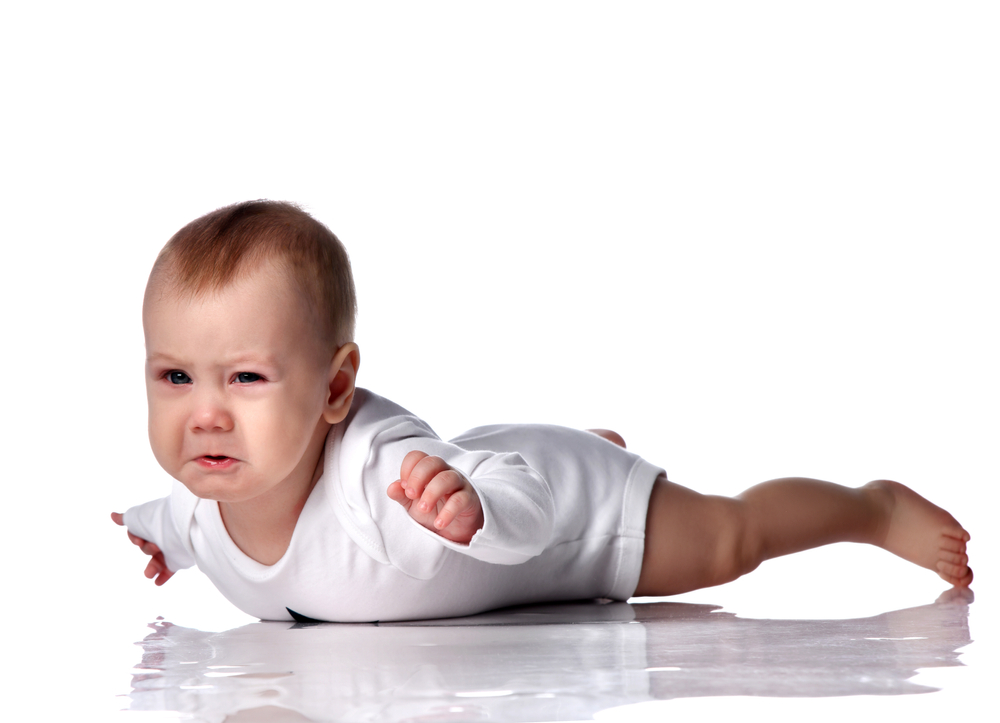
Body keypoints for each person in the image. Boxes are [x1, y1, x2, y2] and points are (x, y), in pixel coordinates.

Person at [112, 201, 973, 623]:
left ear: (336, 390)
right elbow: (173, 521)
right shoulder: (201, 507)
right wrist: (153, 538)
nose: (206, 415)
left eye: (246, 378)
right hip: (507, 458)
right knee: (519, 456)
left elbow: (522, 512)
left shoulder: (386, 476)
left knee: (727, 540)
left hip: (567, 510)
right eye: (176, 376)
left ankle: (871, 507)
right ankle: (579, 440)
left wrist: (473, 510)